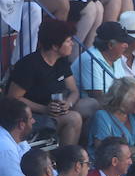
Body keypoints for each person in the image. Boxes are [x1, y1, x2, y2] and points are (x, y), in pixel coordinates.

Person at [7, 19, 82, 147]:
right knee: (74, 118)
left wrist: (68, 104)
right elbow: (13, 98)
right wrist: (44, 109)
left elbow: (74, 91)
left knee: (92, 105)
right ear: (55, 46)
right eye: (68, 41)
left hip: (55, 110)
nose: (73, 44)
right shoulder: (29, 65)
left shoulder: (61, 61)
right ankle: (67, 161)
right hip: (30, 117)